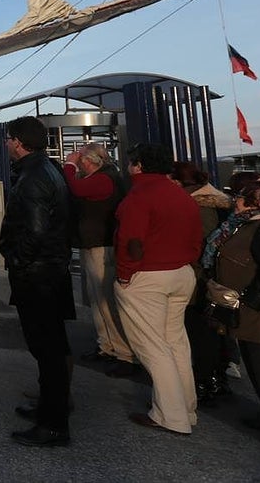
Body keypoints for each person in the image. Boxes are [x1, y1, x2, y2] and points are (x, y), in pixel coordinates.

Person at [113, 142, 203, 435]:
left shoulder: (139, 196)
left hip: (148, 276)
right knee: (175, 343)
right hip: (182, 272)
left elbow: (131, 241)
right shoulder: (181, 195)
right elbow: (196, 238)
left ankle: (171, 416)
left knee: (152, 348)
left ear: (138, 165)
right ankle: (186, 408)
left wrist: (124, 275)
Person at [0, 116, 74, 448]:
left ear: (18, 142)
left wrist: (16, 260)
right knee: (52, 345)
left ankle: (53, 424)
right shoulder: (50, 169)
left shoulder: (32, 178)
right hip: (52, 269)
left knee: (46, 347)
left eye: (8, 139)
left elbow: (35, 230)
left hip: (38, 274)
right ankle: (51, 406)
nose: (6, 144)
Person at [214, 186, 260, 450]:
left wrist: (252, 301)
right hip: (257, 311)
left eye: (239, 198)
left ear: (255, 203)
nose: (235, 202)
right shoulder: (257, 225)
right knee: (259, 366)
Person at [62, 143, 134, 376]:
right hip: (93, 243)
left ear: (89, 160)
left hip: (102, 246)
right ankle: (106, 344)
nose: (78, 160)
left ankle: (124, 353)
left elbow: (74, 188)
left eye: (81, 157)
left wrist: (69, 165)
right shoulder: (104, 178)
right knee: (97, 299)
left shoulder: (104, 179)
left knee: (106, 299)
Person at [171, 161, 234, 403]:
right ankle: (214, 378)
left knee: (199, 330)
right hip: (209, 277)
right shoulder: (214, 201)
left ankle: (205, 380)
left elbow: (199, 242)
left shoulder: (195, 205)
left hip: (198, 277)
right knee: (209, 331)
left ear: (178, 181)